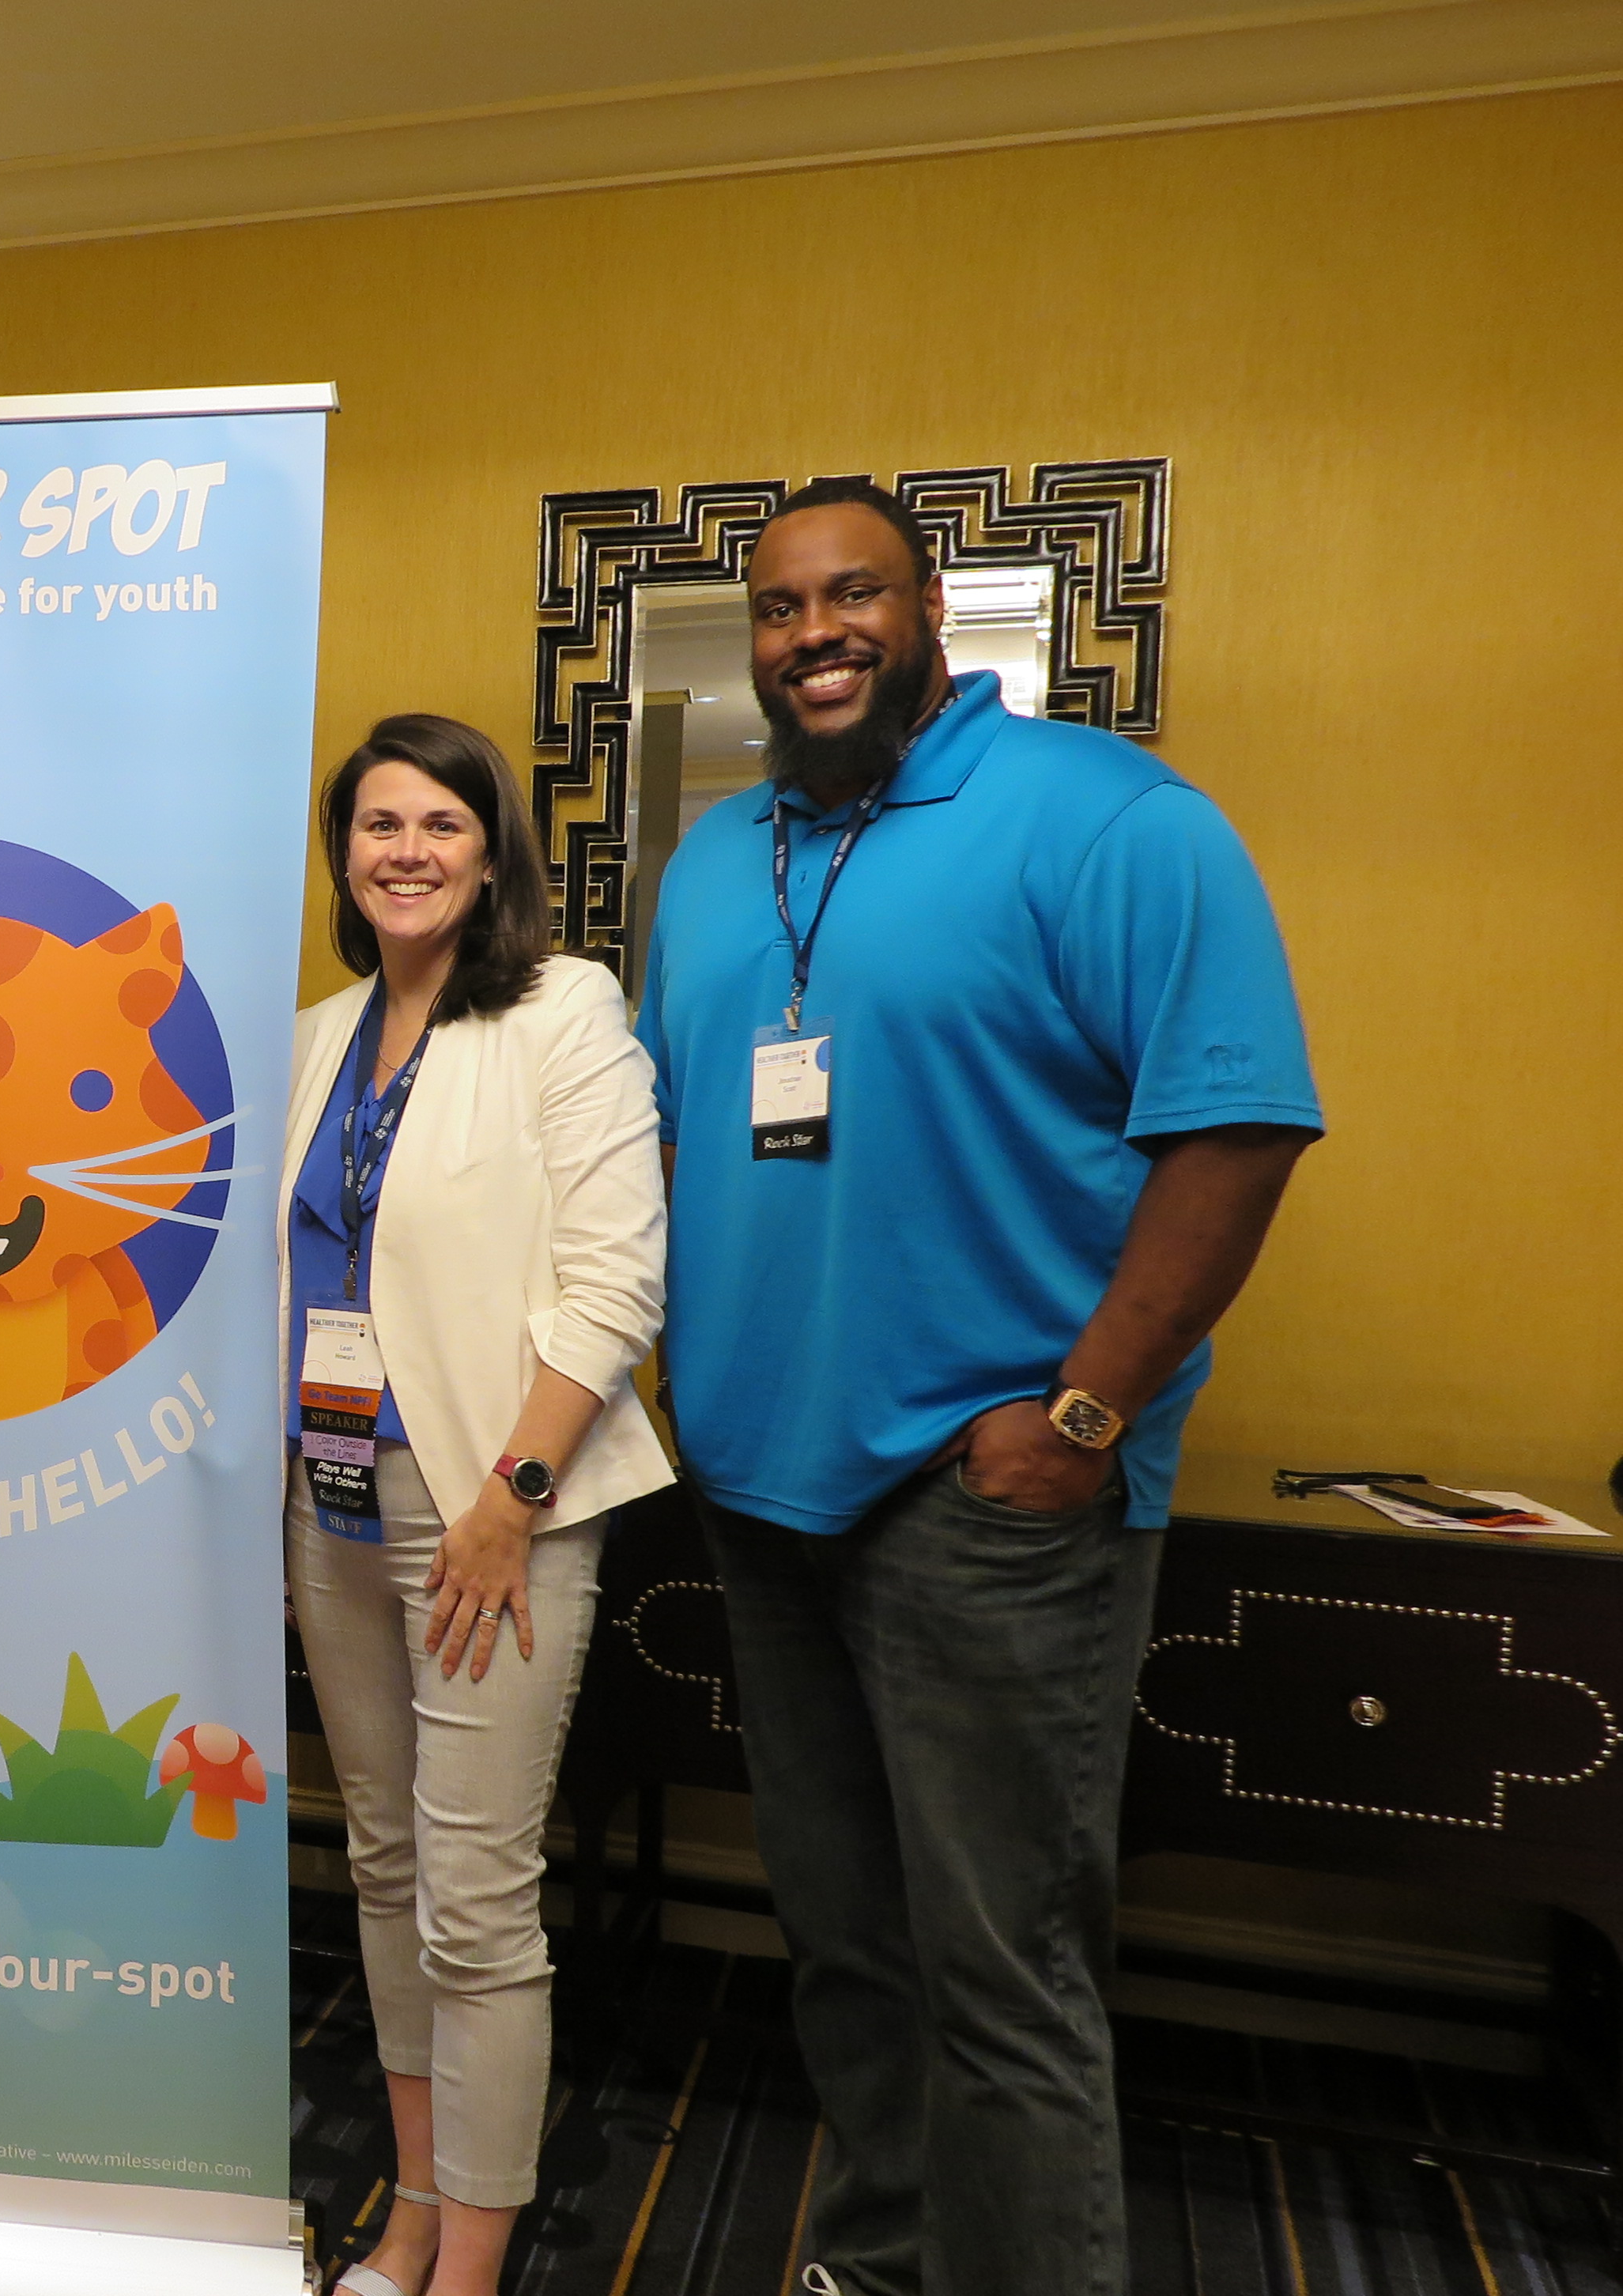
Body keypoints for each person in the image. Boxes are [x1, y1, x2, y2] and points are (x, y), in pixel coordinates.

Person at [635, 479, 1319, 2296]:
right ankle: (877, 2263)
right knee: (847, 1948)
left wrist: (1082, 1416)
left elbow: (1237, 1133)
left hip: (984, 1497)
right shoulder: (716, 861)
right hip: (762, 1491)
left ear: (932, 609)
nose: (812, 636)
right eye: (778, 611)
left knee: (998, 1970)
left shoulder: (1112, 824)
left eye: (850, 595)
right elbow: (658, 1140)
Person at [285, 715, 679, 2296]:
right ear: (344, 855)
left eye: (439, 823)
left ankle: (475, 2261)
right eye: (377, 824)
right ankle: (411, 2206)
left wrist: (515, 1492)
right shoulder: (323, 1032)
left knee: (473, 1898)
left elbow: (617, 1280)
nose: (404, 850)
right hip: (336, 1494)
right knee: (379, 1870)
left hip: (491, 1500)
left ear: (491, 849)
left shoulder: (562, 1012)